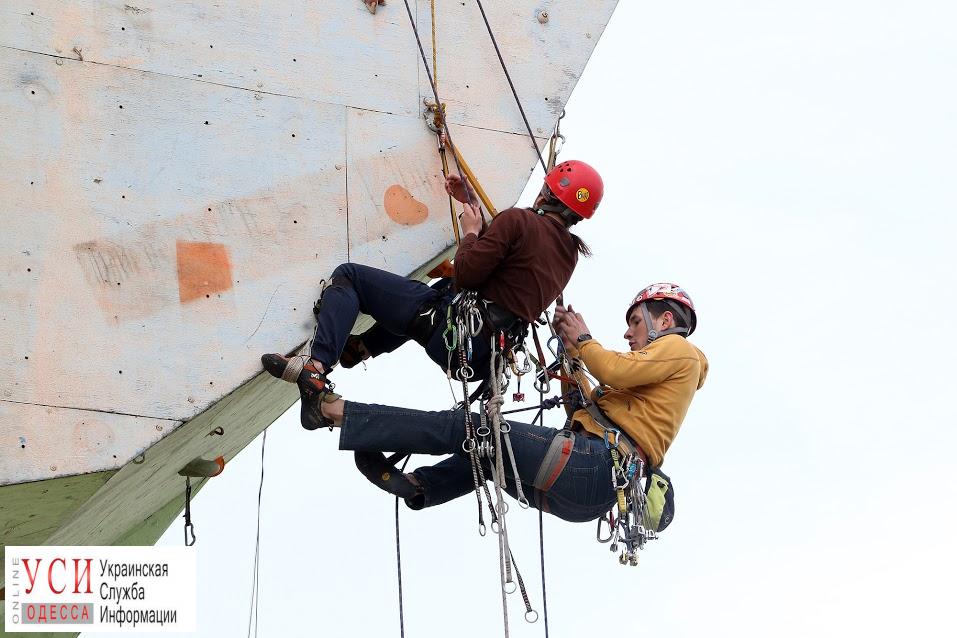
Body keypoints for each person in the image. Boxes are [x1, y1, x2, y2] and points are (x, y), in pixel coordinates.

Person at [309, 283, 708, 523]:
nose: (628, 333)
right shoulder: (651, 390)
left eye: (636, 322)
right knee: (482, 453)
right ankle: (420, 486)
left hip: (595, 464)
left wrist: (584, 340)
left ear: (665, 322)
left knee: (469, 428)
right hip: (586, 492)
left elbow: (614, 370)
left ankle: (335, 412)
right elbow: (591, 408)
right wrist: (571, 360)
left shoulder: (681, 352)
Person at [262, 161, 604, 429]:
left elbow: (469, 273)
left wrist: (470, 233)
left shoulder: (519, 221)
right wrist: (472, 203)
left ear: (547, 192)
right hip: (477, 357)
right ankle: (362, 347)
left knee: (350, 277)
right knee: (436, 291)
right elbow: (513, 265)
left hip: (451, 330)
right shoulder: (567, 255)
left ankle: (316, 367)